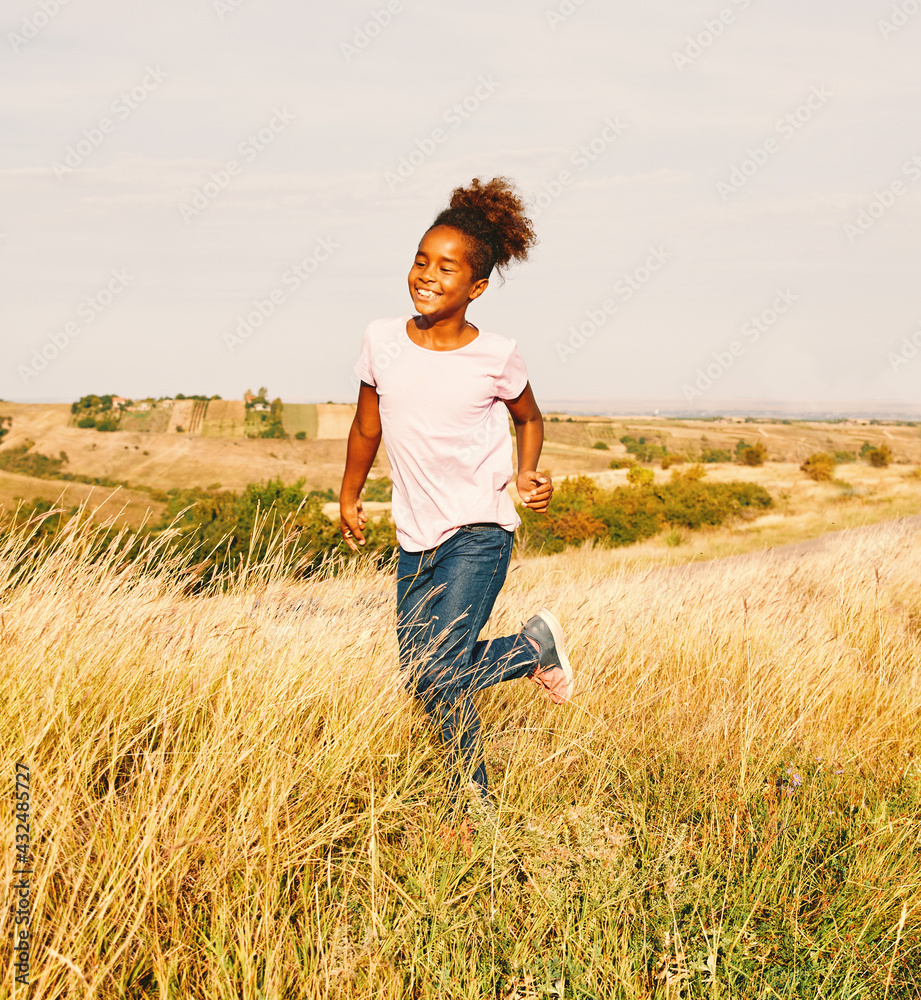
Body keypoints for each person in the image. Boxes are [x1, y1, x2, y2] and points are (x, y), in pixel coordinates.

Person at [339, 176, 574, 835]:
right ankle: (471, 809)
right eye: (420, 259)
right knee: (426, 681)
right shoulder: (380, 339)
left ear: (475, 287)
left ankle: (531, 647)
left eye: (446, 267)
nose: (426, 275)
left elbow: (530, 419)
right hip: (414, 538)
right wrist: (350, 493)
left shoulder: (495, 356)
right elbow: (366, 427)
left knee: (441, 667)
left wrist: (526, 474)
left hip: (479, 530)